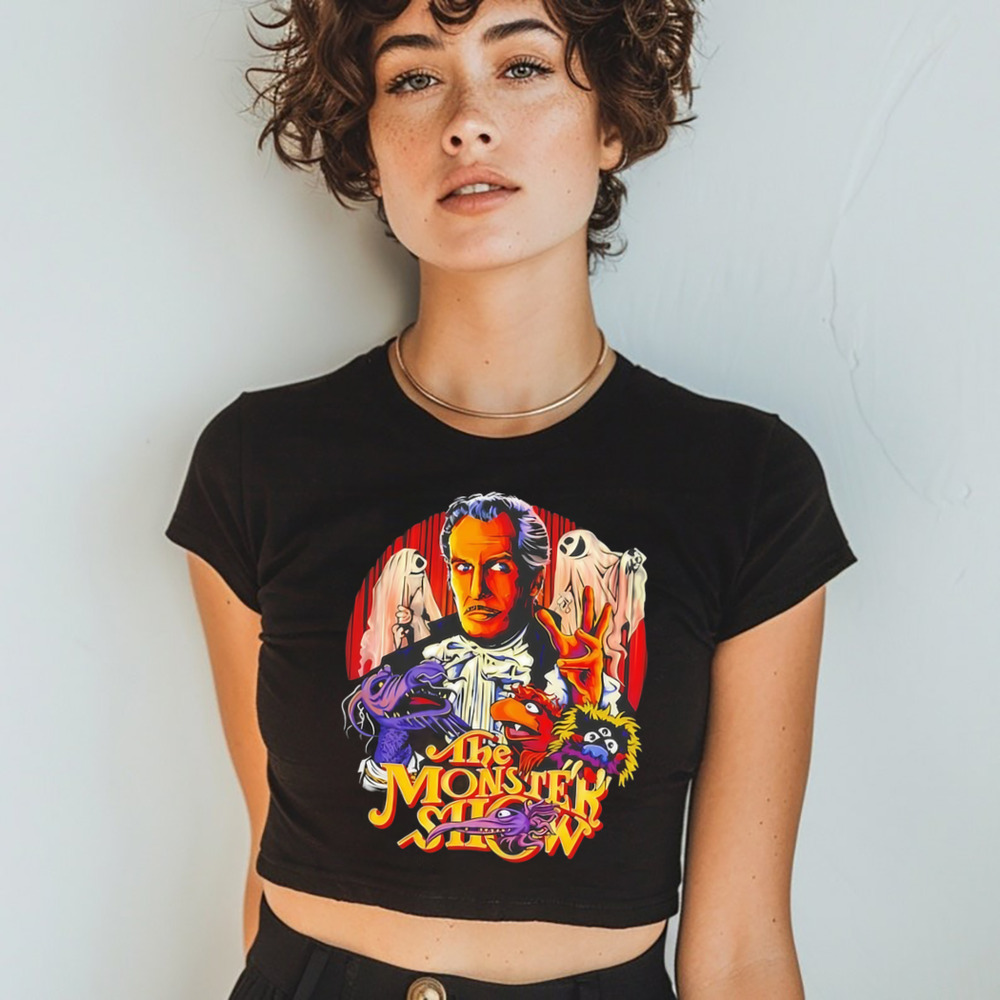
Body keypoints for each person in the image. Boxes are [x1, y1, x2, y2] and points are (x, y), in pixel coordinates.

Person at [165, 0, 857, 997]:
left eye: (523, 67)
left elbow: (743, 948)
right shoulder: (256, 463)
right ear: (371, 146)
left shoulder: (748, 483)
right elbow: (274, 863)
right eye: (413, 77)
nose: (466, 122)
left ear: (610, 122)